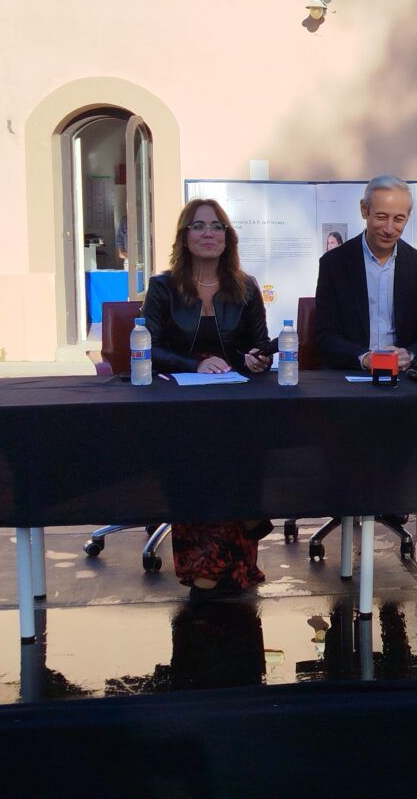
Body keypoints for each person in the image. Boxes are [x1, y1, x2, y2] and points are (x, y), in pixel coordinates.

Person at [142, 199, 274, 597]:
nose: (208, 234)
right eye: (198, 226)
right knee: (202, 461)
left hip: (232, 402)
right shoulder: (163, 287)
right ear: (184, 237)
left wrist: (258, 359)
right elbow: (147, 347)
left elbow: (261, 345)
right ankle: (209, 567)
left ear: (227, 237)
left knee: (235, 450)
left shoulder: (246, 287)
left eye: (217, 227)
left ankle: (235, 553)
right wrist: (194, 364)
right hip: (178, 405)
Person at [315, 175, 417, 371]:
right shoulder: (334, 263)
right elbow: (325, 334)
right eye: (381, 217)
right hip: (350, 373)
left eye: (399, 219)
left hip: (403, 375)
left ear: (408, 217)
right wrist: (364, 358)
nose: (389, 229)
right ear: (364, 210)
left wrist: (410, 355)